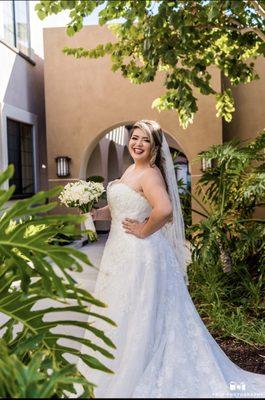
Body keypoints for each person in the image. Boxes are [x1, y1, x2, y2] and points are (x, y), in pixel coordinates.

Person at [77, 120, 265, 398]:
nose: (137, 144)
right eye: (135, 138)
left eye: (145, 140)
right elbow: (119, 209)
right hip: (119, 252)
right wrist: (95, 213)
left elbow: (164, 210)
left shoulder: (150, 174)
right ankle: (116, 365)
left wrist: (143, 229)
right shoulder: (130, 170)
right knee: (120, 307)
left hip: (140, 254)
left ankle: (135, 371)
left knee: (140, 309)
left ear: (154, 148)